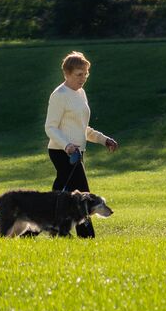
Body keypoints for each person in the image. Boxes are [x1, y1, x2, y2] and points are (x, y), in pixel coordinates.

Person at [44, 50, 118, 238]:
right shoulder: (59, 95)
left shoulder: (81, 93)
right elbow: (50, 127)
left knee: (59, 197)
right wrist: (67, 145)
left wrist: (103, 139)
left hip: (77, 153)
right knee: (83, 195)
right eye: (79, 74)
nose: (83, 78)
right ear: (66, 74)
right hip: (62, 152)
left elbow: (82, 127)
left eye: (85, 74)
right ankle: (87, 237)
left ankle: (37, 230)